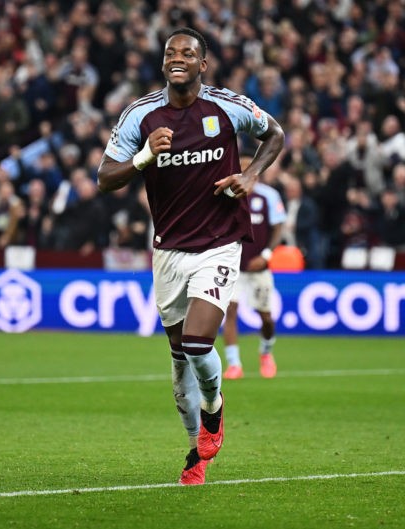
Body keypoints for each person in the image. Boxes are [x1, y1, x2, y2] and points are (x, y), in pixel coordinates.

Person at [97, 28, 284, 486]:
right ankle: (195, 453)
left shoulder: (228, 106)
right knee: (180, 362)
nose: (177, 58)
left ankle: (215, 414)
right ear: (163, 64)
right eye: (170, 53)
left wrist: (251, 175)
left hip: (220, 243)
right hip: (168, 252)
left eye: (188, 53)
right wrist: (143, 158)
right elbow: (105, 176)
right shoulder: (140, 115)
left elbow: (275, 135)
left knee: (200, 341)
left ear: (203, 64)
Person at [222, 157, 288, 380]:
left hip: (259, 268)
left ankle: (266, 352)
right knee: (230, 312)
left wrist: (267, 255)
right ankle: (234, 364)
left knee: (266, 318)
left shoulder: (269, 195)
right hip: (233, 266)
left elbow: (279, 229)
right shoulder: (227, 193)